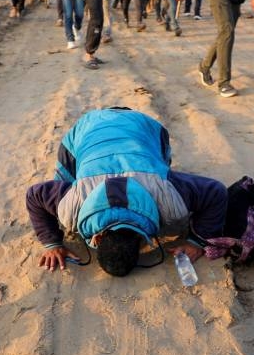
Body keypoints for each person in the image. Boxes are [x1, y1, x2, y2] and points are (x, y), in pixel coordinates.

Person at [25, 108, 228, 276]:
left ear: (97, 238)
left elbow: (217, 191)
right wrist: (51, 243)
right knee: (64, 182)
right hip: (102, 126)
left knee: (161, 170)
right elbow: (34, 195)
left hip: (138, 125)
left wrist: (198, 242)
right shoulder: (72, 205)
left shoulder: (168, 199)